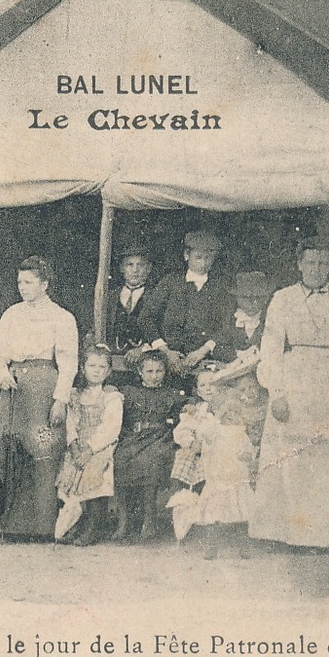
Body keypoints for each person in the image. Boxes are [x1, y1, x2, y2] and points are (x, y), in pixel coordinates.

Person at [248, 238, 329, 550]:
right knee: (292, 460)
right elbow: (271, 348)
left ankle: (326, 537)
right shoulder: (283, 298)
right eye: (310, 263)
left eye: (322, 263)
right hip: (295, 380)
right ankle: (287, 534)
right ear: (299, 265)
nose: (316, 269)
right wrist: (277, 392)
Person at [0, 255, 77, 540]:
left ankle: (41, 526)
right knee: (9, 449)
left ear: (44, 284)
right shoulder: (12, 314)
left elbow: (68, 361)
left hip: (43, 387)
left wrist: (60, 399)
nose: (22, 287)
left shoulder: (62, 317)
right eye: (20, 282)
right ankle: (7, 526)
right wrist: (1, 373)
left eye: (29, 282)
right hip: (13, 389)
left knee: (42, 449)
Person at [167, 367, 257, 551]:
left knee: (237, 505)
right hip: (207, 462)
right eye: (203, 385)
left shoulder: (235, 417)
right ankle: (205, 538)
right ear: (197, 390)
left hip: (230, 468)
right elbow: (191, 431)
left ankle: (240, 540)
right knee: (213, 505)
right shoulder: (201, 413)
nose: (209, 389)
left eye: (213, 385)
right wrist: (191, 441)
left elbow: (245, 440)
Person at [112, 351, 186, 540]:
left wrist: (190, 405)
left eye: (159, 371)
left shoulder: (171, 394)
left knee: (152, 460)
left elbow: (186, 405)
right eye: (149, 371)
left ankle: (149, 519)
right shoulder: (129, 392)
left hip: (159, 437)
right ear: (140, 371)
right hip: (133, 437)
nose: (154, 376)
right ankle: (124, 520)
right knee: (119, 459)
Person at [139, 229, 234, 374]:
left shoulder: (220, 287)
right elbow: (145, 318)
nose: (203, 263)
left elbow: (225, 326)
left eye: (208, 258)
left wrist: (201, 352)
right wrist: (165, 351)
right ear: (186, 256)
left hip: (204, 360)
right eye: (198, 257)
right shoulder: (170, 282)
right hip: (168, 360)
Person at [53, 347, 123, 544]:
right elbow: (71, 423)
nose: (97, 370)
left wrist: (90, 449)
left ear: (109, 371)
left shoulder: (111, 397)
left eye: (102, 367)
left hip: (100, 446)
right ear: (82, 368)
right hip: (79, 445)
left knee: (94, 471)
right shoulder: (75, 395)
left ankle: (94, 526)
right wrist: (75, 446)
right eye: (92, 365)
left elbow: (110, 428)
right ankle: (76, 523)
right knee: (69, 470)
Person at [107, 244, 158, 378]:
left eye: (140, 265)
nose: (135, 270)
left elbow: (162, 331)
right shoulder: (111, 296)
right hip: (114, 359)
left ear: (148, 269)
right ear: (122, 269)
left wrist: (143, 349)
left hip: (145, 362)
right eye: (130, 265)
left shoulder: (156, 296)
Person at [216, 271, 274, 360]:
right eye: (245, 298)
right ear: (237, 298)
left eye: (257, 298)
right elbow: (219, 348)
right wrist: (237, 354)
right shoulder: (233, 320)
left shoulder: (270, 319)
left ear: (265, 298)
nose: (251, 304)